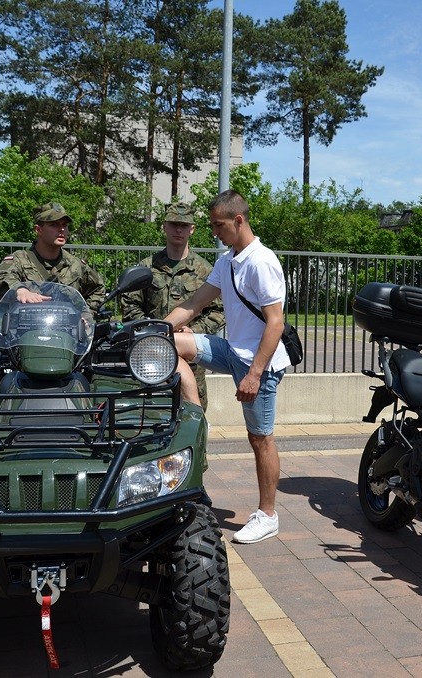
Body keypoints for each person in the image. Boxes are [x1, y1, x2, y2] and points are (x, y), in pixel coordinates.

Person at [163, 190, 290, 544]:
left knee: (260, 438)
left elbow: (276, 323)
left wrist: (254, 375)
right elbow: (195, 303)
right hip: (233, 351)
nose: (214, 232)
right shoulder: (228, 261)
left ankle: (268, 516)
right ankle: (195, 408)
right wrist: (156, 329)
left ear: (238, 220)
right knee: (170, 343)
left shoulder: (261, 262)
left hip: (259, 364)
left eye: (218, 225)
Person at [119, 201, 225, 410]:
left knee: (193, 414)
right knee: (150, 414)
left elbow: (218, 311)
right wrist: (150, 330)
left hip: (190, 360)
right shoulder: (147, 267)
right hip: (151, 357)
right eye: (174, 224)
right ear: (164, 227)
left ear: (192, 229)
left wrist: (193, 331)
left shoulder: (205, 270)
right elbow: (130, 305)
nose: (179, 229)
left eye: (184, 225)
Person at [0, 202, 106, 313]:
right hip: (26, 326)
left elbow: (98, 288)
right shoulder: (20, 259)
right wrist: (19, 290)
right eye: (54, 225)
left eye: (64, 225)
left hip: (65, 326)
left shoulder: (75, 264)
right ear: (38, 230)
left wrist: (86, 313)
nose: (61, 229)